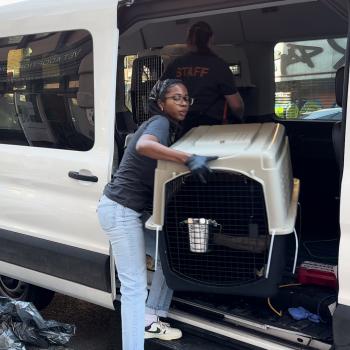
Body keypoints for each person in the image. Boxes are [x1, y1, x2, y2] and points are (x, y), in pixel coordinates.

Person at [97, 79, 217, 350]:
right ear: (161, 103)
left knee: (168, 255)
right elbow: (144, 147)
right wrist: (187, 158)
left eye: (187, 98)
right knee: (134, 288)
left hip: (131, 211)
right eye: (176, 98)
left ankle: (152, 317)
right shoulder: (159, 124)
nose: (183, 103)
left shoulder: (169, 129)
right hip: (121, 210)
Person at [162, 21, 244, 134]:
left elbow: (159, 95)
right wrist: (239, 119)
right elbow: (236, 105)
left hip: (180, 126)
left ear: (189, 40)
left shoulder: (176, 64)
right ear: (211, 39)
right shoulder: (219, 65)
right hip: (211, 127)